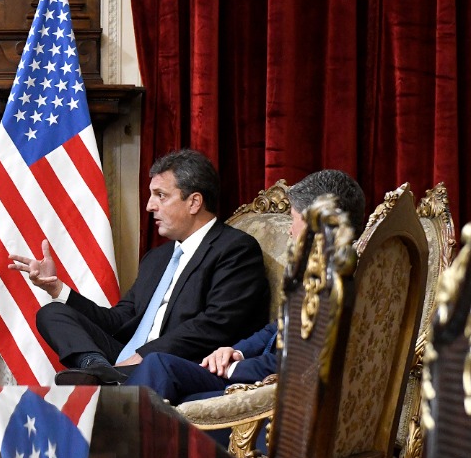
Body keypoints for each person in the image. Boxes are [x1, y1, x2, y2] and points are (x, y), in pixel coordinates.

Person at [9, 149, 269, 385]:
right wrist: (58, 289)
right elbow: (119, 320)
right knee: (52, 313)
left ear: (194, 202)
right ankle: (99, 369)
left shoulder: (235, 249)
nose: (149, 206)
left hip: (178, 363)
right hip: (125, 361)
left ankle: (106, 377)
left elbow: (214, 325)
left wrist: (143, 356)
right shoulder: (156, 258)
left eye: (161, 196)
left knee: (147, 367)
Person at [126, 169, 368, 405]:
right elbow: (276, 328)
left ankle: (115, 441)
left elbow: (299, 363)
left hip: (270, 400)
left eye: (295, 220)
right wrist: (235, 351)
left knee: (167, 391)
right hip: (253, 377)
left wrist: (234, 368)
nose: (290, 230)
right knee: (160, 368)